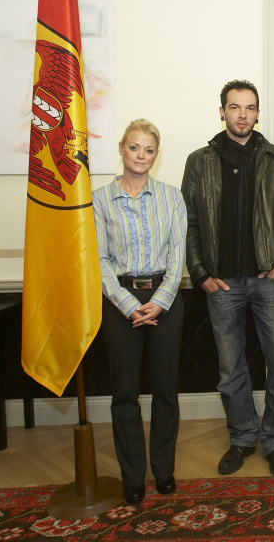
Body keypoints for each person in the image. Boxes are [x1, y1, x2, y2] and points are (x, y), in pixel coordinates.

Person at [181, 80, 274, 477]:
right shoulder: (199, 161)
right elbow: (190, 223)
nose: (242, 114)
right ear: (222, 112)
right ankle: (244, 436)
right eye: (234, 107)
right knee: (231, 369)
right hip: (222, 283)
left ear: (258, 113)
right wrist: (200, 274)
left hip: (271, 281)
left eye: (249, 108)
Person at [93, 119, 187, 504]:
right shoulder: (99, 199)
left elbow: (178, 254)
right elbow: (98, 260)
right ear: (121, 148)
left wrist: (159, 301)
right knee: (124, 393)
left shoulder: (172, 196)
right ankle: (132, 476)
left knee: (166, 390)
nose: (141, 156)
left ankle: (163, 470)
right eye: (134, 148)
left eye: (149, 150)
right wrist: (130, 305)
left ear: (156, 154)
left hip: (165, 297)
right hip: (120, 301)